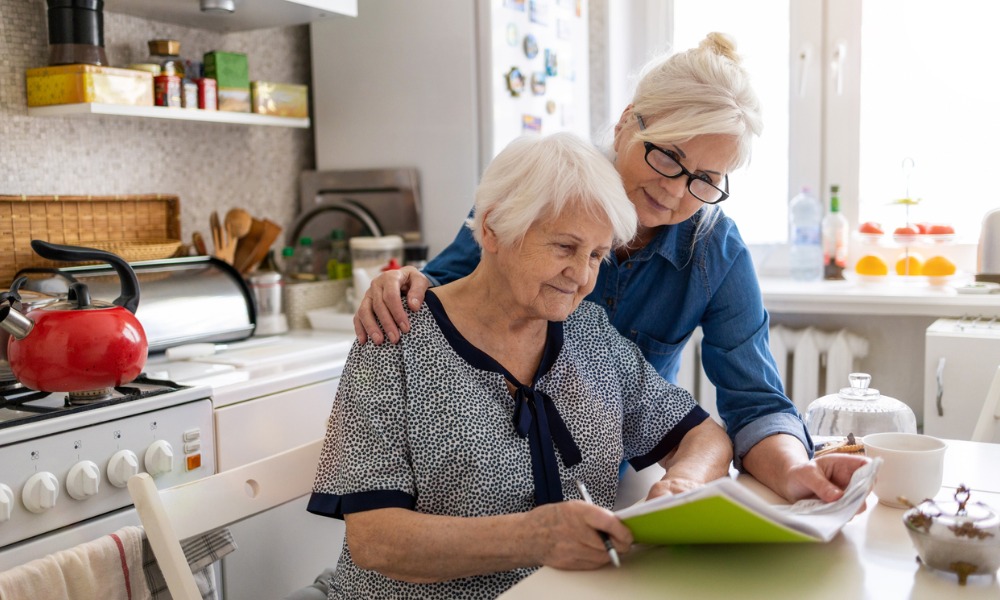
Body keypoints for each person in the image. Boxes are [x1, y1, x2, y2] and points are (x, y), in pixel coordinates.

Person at [352, 32, 870, 504]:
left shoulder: (716, 251)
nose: (673, 189)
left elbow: (755, 403)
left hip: (609, 480)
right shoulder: (541, 191)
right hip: (486, 481)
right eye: (668, 156)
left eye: (704, 178)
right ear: (627, 123)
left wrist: (796, 469)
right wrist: (401, 283)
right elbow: (445, 292)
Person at [307, 132, 734, 598]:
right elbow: (376, 540)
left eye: (596, 255)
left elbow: (703, 435)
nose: (582, 277)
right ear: (492, 228)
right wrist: (532, 538)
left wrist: (683, 482)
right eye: (564, 248)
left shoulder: (589, 333)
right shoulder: (396, 338)